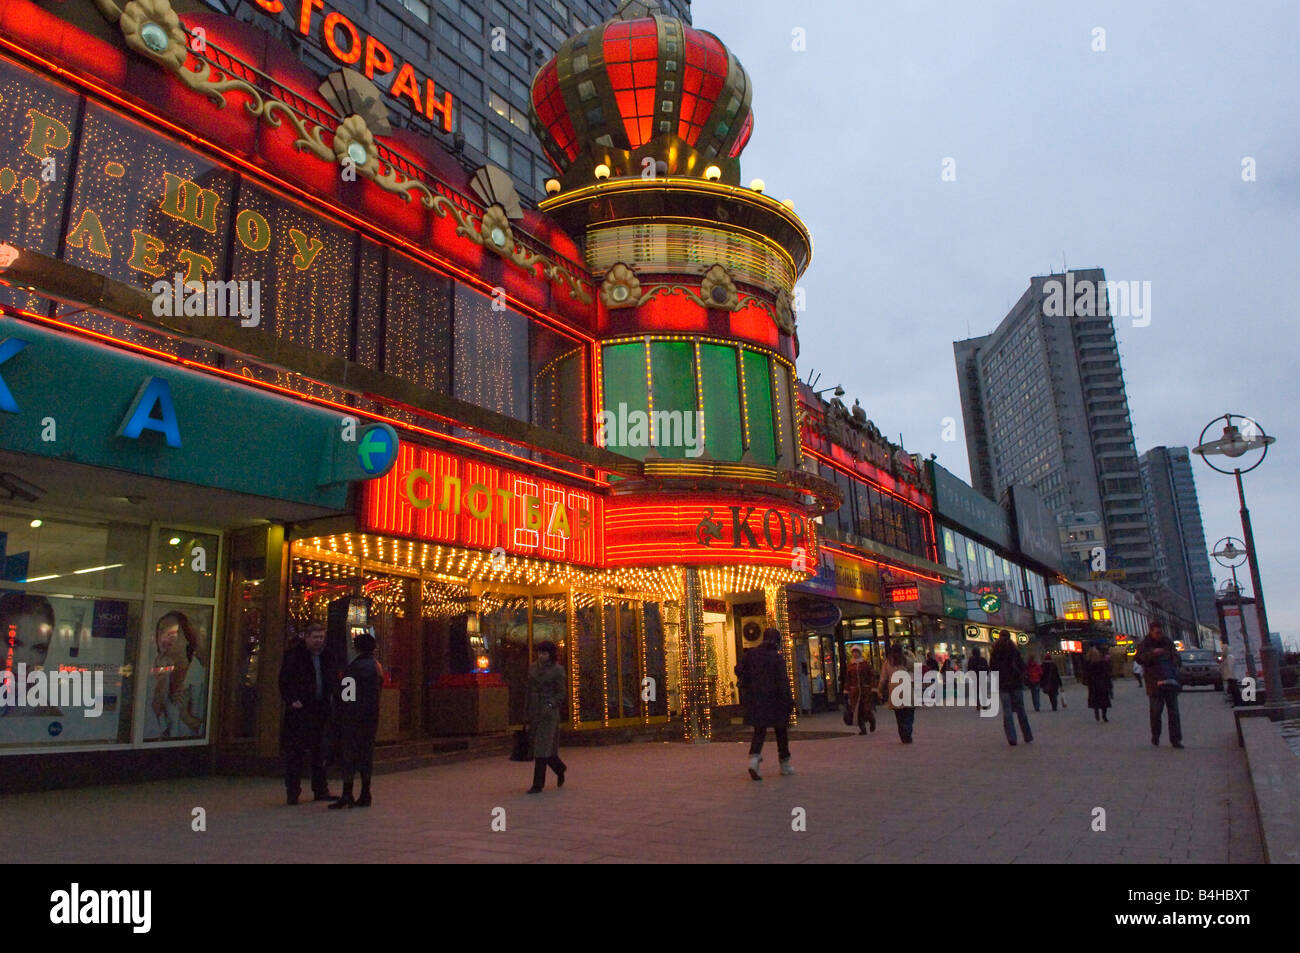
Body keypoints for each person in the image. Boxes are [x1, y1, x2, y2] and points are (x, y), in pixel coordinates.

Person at [279, 623, 336, 805]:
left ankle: (320, 789)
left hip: (320, 709)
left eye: (321, 637)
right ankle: (293, 792)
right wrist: (292, 700)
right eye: (316, 637)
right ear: (307, 637)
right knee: (296, 753)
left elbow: (332, 678)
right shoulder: (295, 655)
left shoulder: (327, 656)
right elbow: (284, 680)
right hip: (300, 710)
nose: (319, 641)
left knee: (319, 752)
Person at [329, 630, 381, 809]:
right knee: (366, 755)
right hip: (370, 717)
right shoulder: (376, 666)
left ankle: (347, 793)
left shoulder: (354, 668)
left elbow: (346, 695)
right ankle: (365, 792)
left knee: (349, 755)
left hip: (352, 718)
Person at [735, 627, 795, 778]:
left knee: (759, 731)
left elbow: (738, 669)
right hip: (776, 700)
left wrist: (750, 680)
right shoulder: (776, 658)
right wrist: (789, 701)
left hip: (757, 700)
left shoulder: (751, 655)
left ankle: (754, 760)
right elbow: (783, 682)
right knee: (781, 732)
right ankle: (784, 764)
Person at [147, 612, 205, 739]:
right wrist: (159, 691)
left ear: (187, 639)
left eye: (172, 634)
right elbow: (152, 725)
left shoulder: (203, 678)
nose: (165, 638)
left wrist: (186, 716)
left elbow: (212, 730)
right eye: (161, 632)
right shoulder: (158, 674)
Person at [525, 639, 568, 793]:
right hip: (535, 711)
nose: (541, 656)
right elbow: (528, 691)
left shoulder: (557, 670)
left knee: (541, 748)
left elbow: (561, 692)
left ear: (551, 654)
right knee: (543, 748)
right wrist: (526, 711)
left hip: (548, 714)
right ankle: (560, 768)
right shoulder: (532, 668)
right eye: (539, 652)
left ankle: (538, 784)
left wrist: (551, 704)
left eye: (544, 653)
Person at [1136, 621, 1182, 748]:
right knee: (1156, 711)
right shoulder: (1145, 644)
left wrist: (1174, 662)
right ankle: (1155, 735)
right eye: (1157, 633)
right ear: (1151, 631)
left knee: (1174, 712)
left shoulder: (1168, 642)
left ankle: (1176, 739)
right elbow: (1139, 659)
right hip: (1154, 683)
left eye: (1160, 632)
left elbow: (1177, 657)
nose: (1159, 635)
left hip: (1170, 681)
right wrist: (1152, 654)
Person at [990, 630, 1033, 746]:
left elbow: (992, 669)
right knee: (1020, 709)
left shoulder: (995, 652)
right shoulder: (1014, 650)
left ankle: (1012, 738)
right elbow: (1022, 666)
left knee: (1007, 711)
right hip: (1015, 683)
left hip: (1003, 684)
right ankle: (1027, 735)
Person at [877, 644, 915, 743]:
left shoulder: (887, 663)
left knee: (899, 716)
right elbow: (917, 666)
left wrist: (879, 690)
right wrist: (909, 654)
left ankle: (903, 735)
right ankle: (907, 732)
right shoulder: (906, 660)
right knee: (909, 713)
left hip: (894, 692)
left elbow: (883, 679)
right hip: (906, 689)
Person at [841, 646, 876, 734]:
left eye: (856, 652)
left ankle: (872, 721)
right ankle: (862, 728)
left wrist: (872, 687)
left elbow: (871, 675)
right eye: (853, 652)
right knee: (857, 711)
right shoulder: (850, 666)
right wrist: (847, 689)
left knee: (866, 709)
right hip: (855, 692)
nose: (855, 654)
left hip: (865, 690)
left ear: (860, 653)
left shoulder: (865, 664)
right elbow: (848, 679)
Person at [1084, 647, 1113, 722]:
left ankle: (1096, 713)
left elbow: (1086, 676)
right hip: (1102, 684)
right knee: (1104, 701)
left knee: (1095, 700)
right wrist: (1109, 684)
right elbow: (1107, 674)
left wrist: (1087, 682)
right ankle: (1104, 715)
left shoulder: (1088, 665)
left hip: (1093, 685)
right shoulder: (1102, 663)